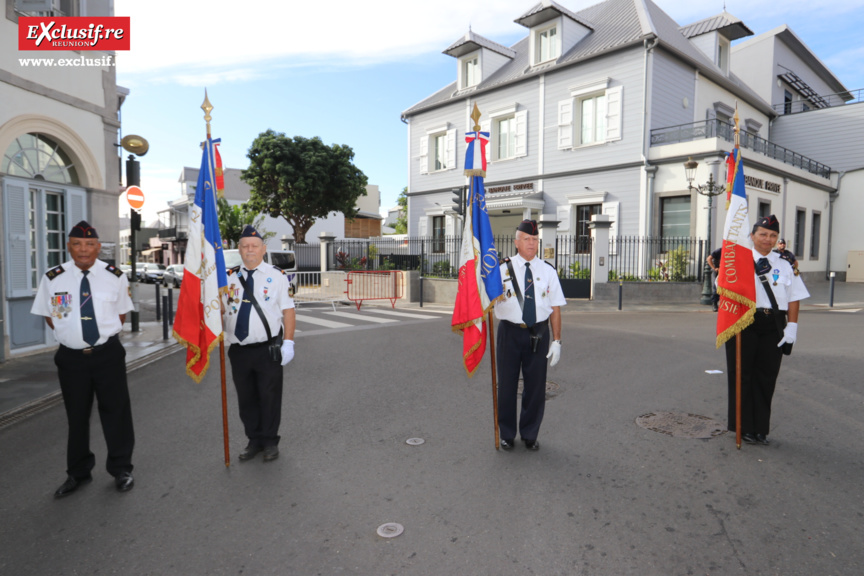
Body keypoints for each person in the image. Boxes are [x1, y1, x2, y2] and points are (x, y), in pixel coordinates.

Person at [31, 221, 136, 497]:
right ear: (69, 247)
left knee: (116, 412)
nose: (84, 250)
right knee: (76, 416)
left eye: (90, 244)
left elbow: (121, 315)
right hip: (72, 360)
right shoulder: (53, 278)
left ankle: (121, 468)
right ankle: (78, 473)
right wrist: (73, 337)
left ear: (98, 247)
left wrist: (99, 336)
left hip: (107, 355)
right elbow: (49, 316)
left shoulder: (114, 276)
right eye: (77, 244)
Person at [725, 215, 809, 445]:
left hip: (773, 324)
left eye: (773, 235)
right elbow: (721, 286)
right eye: (762, 234)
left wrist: (791, 327)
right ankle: (743, 426)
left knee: (766, 376)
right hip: (744, 321)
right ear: (752, 236)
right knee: (742, 375)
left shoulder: (784, 264)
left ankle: (760, 427)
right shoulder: (737, 260)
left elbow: (794, 297)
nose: (767, 239)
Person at [223, 226, 296, 462]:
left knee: (269, 397)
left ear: (263, 249)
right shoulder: (227, 277)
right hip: (238, 350)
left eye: (254, 246)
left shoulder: (277, 276)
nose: (249, 250)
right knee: (246, 399)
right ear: (239, 249)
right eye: (245, 246)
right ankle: (253, 440)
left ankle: (270, 441)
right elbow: (220, 310)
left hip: (267, 349)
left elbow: (288, 311)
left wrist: (289, 343)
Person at [494, 220, 566, 451]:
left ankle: (530, 433)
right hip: (509, 333)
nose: (532, 243)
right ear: (516, 242)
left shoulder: (548, 271)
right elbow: (487, 298)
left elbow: (555, 308)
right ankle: (506, 433)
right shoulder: (501, 269)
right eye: (526, 239)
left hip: (538, 333)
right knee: (506, 385)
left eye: (535, 239)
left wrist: (556, 340)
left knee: (535, 388)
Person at [706, 247, 722, 312]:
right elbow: (709, 258)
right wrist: (714, 268)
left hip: (730, 272)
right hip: (719, 272)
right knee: (717, 288)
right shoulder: (720, 250)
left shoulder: (733, 251)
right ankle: (714, 303)